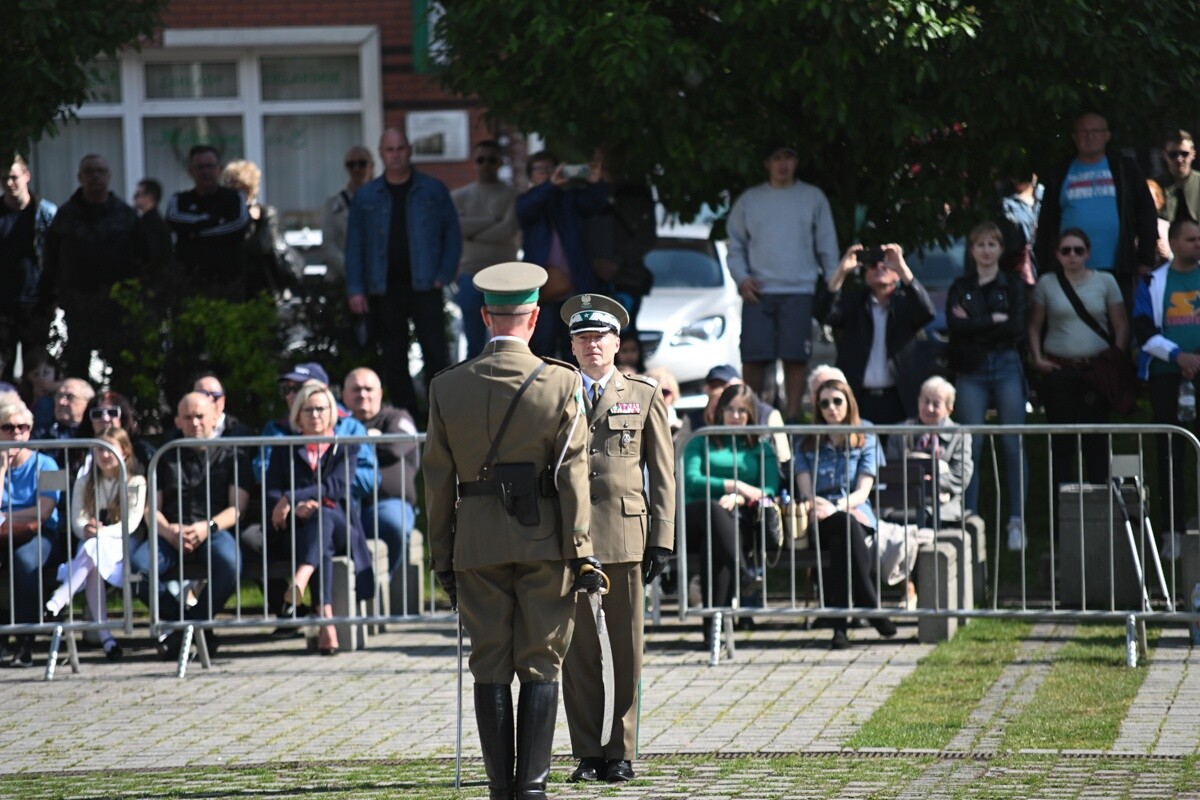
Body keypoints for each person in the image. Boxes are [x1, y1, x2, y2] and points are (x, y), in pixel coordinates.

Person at [422, 261, 598, 800]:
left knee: (490, 661)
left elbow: (435, 483)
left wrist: (442, 558)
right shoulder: (561, 381)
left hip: (475, 542)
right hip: (545, 539)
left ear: (483, 316)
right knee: (542, 660)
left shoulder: (447, 386)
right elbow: (573, 476)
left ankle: (501, 789)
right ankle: (533, 791)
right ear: (535, 315)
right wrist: (581, 552)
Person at [558, 293, 675, 785]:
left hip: (627, 534)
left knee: (626, 651)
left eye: (600, 336)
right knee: (578, 651)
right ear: (572, 344)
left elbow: (663, 473)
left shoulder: (643, 393)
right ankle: (587, 750)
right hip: (572, 540)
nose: (591, 345)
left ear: (617, 342)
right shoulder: (557, 393)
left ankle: (621, 750)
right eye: (582, 337)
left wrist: (662, 539)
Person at [344, 128, 462, 413]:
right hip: (383, 287)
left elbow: (453, 234)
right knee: (393, 356)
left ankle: (441, 418)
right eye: (389, 149)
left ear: (409, 150)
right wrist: (356, 288)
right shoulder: (366, 196)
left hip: (426, 285)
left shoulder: (432, 189)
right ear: (381, 154)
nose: (395, 155)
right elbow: (354, 244)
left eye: (400, 148)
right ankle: (406, 419)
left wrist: (443, 275)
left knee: (436, 353)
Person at [130, 392, 249, 660]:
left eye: (200, 416)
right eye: (188, 417)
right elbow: (151, 508)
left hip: (213, 531)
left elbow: (237, 508)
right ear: (177, 421)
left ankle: (186, 630)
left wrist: (207, 528)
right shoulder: (164, 455)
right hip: (169, 533)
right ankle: (193, 627)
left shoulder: (232, 453)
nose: (195, 422)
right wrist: (168, 531)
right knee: (138, 569)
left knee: (230, 564)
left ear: (215, 417)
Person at [726, 143, 840, 422]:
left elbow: (827, 245)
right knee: (753, 357)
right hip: (759, 293)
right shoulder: (750, 200)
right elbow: (735, 245)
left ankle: (791, 420)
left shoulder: (812, 197)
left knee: (795, 358)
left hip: (799, 290)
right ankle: (748, 416)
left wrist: (833, 283)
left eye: (789, 156)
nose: (783, 164)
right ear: (767, 163)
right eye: (777, 157)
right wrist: (742, 279)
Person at [266, 381, 374, 656]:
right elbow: (271, 491)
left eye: (321, 409)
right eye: (308, 409)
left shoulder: (345, 447)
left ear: (331, 413)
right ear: (297, 414)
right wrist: (298, 505)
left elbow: (335, 487)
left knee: (324, 515)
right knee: (319, 541)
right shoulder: (284, 449)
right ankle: (326, 619)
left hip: (342, 528)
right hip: (299, 531)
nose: (315, 415)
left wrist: (292, 498)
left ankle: (301, 578)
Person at [795, 379, 896, 649]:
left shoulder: (866, 438)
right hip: (818, 516)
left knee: (842, 536)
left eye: (837, 401)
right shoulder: (806, 443)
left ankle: (839, 630)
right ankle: (868, 603)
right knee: (841, 527)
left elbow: (863, 491)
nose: (831, 408)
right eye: (824, 403)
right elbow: (806, 491)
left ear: (849, 402)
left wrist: (837, 506)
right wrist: (825, 507)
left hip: (853, 513)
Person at [946, 222, 1028, 551]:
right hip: (972, 369)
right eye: (980, 245)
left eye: (992, 244)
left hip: (1007, 364)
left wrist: (974, 324)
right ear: (972, 250)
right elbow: (955, 327)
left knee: (1013, 444)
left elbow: (1016, 328)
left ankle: (1017, 521)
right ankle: (969, 517)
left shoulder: (1012, 285)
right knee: (970, 447)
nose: (986, 250)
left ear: (1000, 249)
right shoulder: (961, 285)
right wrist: (991, 321)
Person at [1027, 228, 1128, 491]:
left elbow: (1121, 325)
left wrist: (1115, 357)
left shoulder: (1105, 281)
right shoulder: (1047, 283)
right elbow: (1034, 326)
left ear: (1088, 253)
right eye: (1066, 250)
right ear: (1058, 255)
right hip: (1060, 370)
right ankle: (1062, 513)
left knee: (1096, 441)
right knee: (1062, 443)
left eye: (1078, 250)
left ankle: (1100, 504)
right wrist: (1037, 359)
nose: (1072, 256)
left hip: (1097, 370)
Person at [40, 154, 149, 390]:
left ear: (109, 176)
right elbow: (51, 261)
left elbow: (144, 260)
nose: (95, 177)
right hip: (76, 306)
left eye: (100, 171)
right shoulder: (65, 215)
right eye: (89, 171)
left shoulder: (126, 215)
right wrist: (51, 299)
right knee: (77, 367)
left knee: (122, 370)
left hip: (117, 308)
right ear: (80, 177)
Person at [1034, 112, 1157, 305]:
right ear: (1074, 137)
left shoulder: (1125, 168)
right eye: (1083, 132)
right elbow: (1047, 221)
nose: (1089, 136)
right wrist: (1045, 263)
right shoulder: (1059, 172)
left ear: (1107, 135)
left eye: (1096, 131)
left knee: (1118, 328)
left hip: (1118, 268)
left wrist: (1145, 258)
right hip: (1070, 266)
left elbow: (1146, 214)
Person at [44, 427, 145, 661]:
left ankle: (58, 600)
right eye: (99, 449)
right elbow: (77, 518)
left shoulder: (135, 481)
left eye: (110, 450)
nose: (104, 455)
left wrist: (102, 532)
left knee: (92, 550)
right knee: (92, 555)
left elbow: (130, 523)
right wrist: (86, 530)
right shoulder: (85, 480)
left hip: (123, 544)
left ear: (125, 453)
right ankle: (107, 639)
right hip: (93, 545)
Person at [682, 384, 779, 610]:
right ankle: (744, 573)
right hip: (693, 519)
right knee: (714, 510)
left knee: (716, 541)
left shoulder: (761, 447)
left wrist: (739, 498)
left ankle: (713, 631)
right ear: (720, 411)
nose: (736, 416)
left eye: (742, 411)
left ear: (751, 414)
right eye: (730, 409)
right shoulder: (700, 441)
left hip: (739, 519)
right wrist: (734, 486)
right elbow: (691, 482)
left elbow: (769, 490)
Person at [818, 242, 935, 426]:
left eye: (886, 265)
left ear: (897, 274)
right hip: (859, 397)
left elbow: (927, 312)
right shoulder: (855, 303)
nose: (880, 268)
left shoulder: (905, 303)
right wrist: (841, 271)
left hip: (898, 398)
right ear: (866, 276)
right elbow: (823, 312)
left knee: (897, 454)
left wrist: (901, 267)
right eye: (873, 265)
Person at [1134, 217, 1200, 534]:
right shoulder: (1152, 282)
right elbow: (1143, 330)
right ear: (1173, 244)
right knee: (1169, 452)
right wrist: (1178, 355)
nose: (1198, 244)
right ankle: (1171, 529)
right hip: (1165, 375)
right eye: (1191, 239)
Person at [516, 150, 610, 359]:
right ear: (530, 175)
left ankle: (574, 391)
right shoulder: (527, 200)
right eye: (540, 169)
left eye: (550, 168)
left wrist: (596, 182)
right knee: (543, 346)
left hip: (576, 286)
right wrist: (550, 185)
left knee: (576, 348)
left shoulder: (568, 199)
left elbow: (593, 205)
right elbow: (525, 210)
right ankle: (545, 392)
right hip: (544, 290)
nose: (546, 173)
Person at [341, 367, 419, 582]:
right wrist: (372, 439)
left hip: (386, 504)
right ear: (344, 395)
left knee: (393, 524)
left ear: (380, 393)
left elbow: (396, 447)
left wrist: (356, 442)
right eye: (356, 389)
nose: (362, 394)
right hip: (343, 504)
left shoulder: (397, 417)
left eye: (368, 389)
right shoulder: (337, 422)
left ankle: (378, 586)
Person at [0, 402, 60, 668]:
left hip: (42, 534)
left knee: (24, 562)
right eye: (8, 427)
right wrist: (2, 469)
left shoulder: (51, 463)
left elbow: (45, 511)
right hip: (4, 533)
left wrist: (3, 516)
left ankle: (26, 641)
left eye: (22, 428)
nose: (16, 434)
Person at [452, 139, 520, 358]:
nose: (486, 164)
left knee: (505, 343)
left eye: (491, 159)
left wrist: (472, 232)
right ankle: (474, 389)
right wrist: (493, 221)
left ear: (500, 162)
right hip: (470, 275)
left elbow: (507, 229)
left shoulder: (512, 195)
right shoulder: (459, 196)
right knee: (473, 343)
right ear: (474, 162)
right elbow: (457, 228)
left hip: (505, 279)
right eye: (481, 159)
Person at [883, 376, 973, 530]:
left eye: (936, 404)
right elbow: (890, 472)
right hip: (901, 503)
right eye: (925, 401)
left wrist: (932, 481)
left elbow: (961, 475)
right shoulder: (899, 432)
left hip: (942, 507)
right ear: (918, 401)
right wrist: (915, 478)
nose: (929, 408)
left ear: (949, 409)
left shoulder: (960, 435)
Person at [164, 144, 251, 304]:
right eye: (200, 167)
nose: (205, 172)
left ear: (220, 169)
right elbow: (174, 219)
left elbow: (239, 226)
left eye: (210, 166)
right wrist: (215, 220)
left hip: (228, 282)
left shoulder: (234, 198)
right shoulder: (180, 200)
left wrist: (194, 233)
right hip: (190, 282)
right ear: (191, 171)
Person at [0, 154, 56, 381]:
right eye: (4, 179)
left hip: (36, 302)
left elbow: (57, 255)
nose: (10, 183)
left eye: (14, 177)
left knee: (37, 368)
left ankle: (36, 413)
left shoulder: (45, 213)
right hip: (3, 304)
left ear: (26, 176)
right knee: (4, 367)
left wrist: (54, 297)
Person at [221, 159, 298, 298]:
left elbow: (260, 246)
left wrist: (249, 221)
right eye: (232, 191)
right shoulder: (222, 216)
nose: (238, 196)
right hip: (230, 286)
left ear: (251, 190)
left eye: (242, 191)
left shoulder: (265, 213)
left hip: (262, 287)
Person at [322, 145, 375, 284]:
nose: (357, 169)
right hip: (343, 281)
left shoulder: (384, 202)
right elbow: (328, 245)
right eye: (351, 165)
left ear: (371, 166)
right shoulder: (333, 204)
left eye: (362, 164)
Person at [1154, 129, 1199, 224]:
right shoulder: (1155, 188)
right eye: (1173, 154)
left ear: (1193, 154)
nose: (1179, 159)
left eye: (1184, 153)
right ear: (1164, 155)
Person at [1148, 179, 1173, 263]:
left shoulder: (1167, 227)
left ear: (1158, 201)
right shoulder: (1130, 228)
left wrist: (1168, 254)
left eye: (1151, 199)